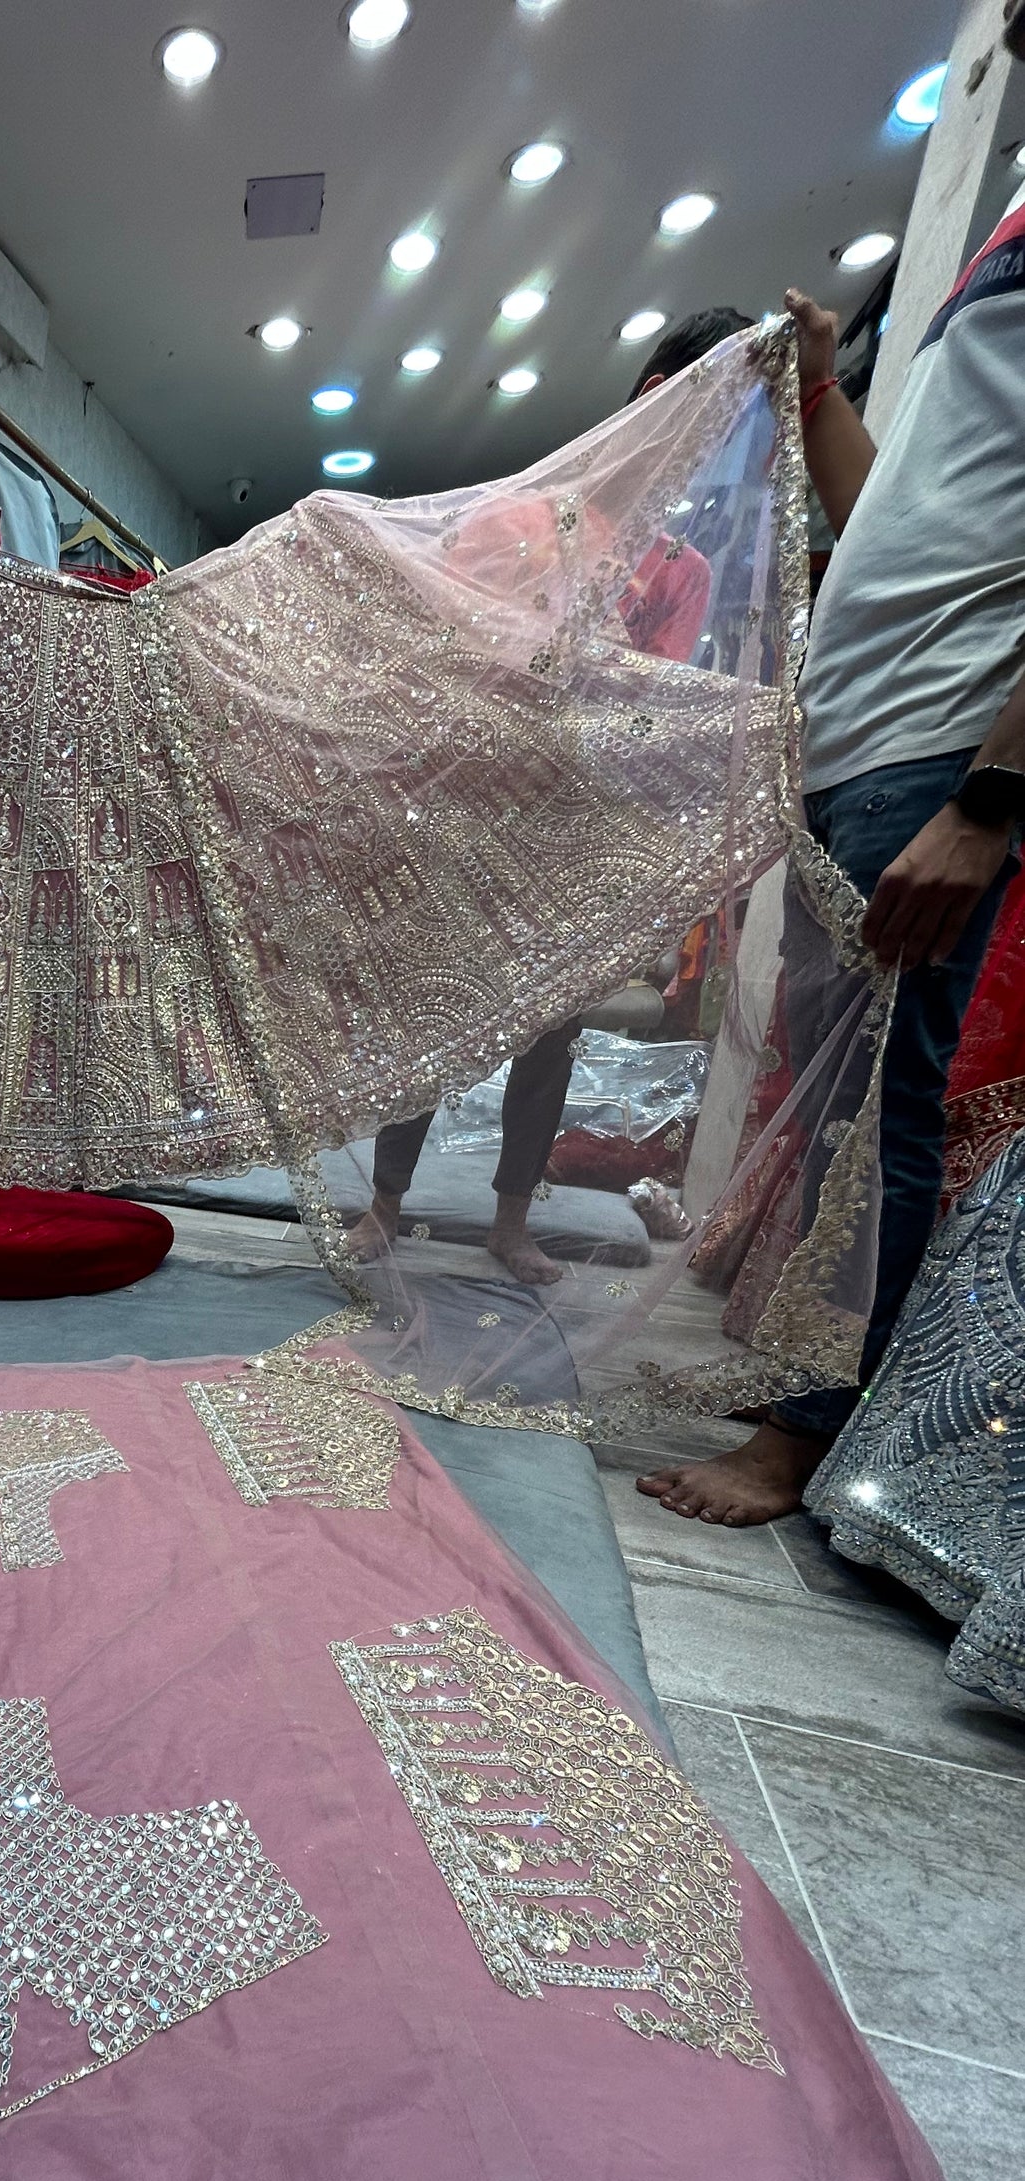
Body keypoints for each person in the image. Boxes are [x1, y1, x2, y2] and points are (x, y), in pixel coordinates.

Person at [643, 37, 1025, 1525]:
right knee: (828, 1112)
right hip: (861, 744)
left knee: (876, 1113)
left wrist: (989, 798)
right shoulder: (1005, 224)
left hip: (938, 747)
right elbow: (884, 519)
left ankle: (802, 1439)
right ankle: (793, 1394)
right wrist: (817, 387)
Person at [348, 307, 752, 1285]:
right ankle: (383, 1203)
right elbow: (444, 658)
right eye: (707, 419)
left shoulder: (682, 571)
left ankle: (510, 1219)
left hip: (575, 825)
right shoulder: (516, 519)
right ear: (656, 399)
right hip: (473, 811)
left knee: (552, 1032)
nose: (708, 451)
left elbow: (651, 700)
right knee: (434, 1009)